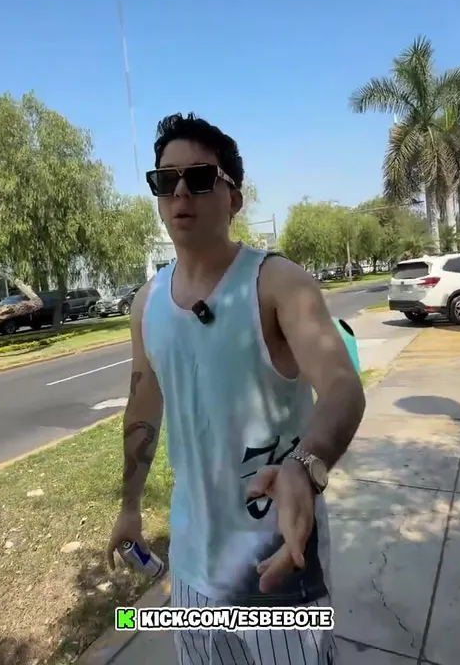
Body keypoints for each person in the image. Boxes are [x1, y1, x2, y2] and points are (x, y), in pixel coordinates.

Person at [108, 113, 366, 664]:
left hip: (277, 563)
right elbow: (143, 409)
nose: (181, 192)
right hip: (193, 568)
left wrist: (305, 466)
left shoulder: (277, 283)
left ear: (234, 198)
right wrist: (129, 506)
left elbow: (344, 389)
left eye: (200, 177)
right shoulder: (146, 304)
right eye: (166, 180)